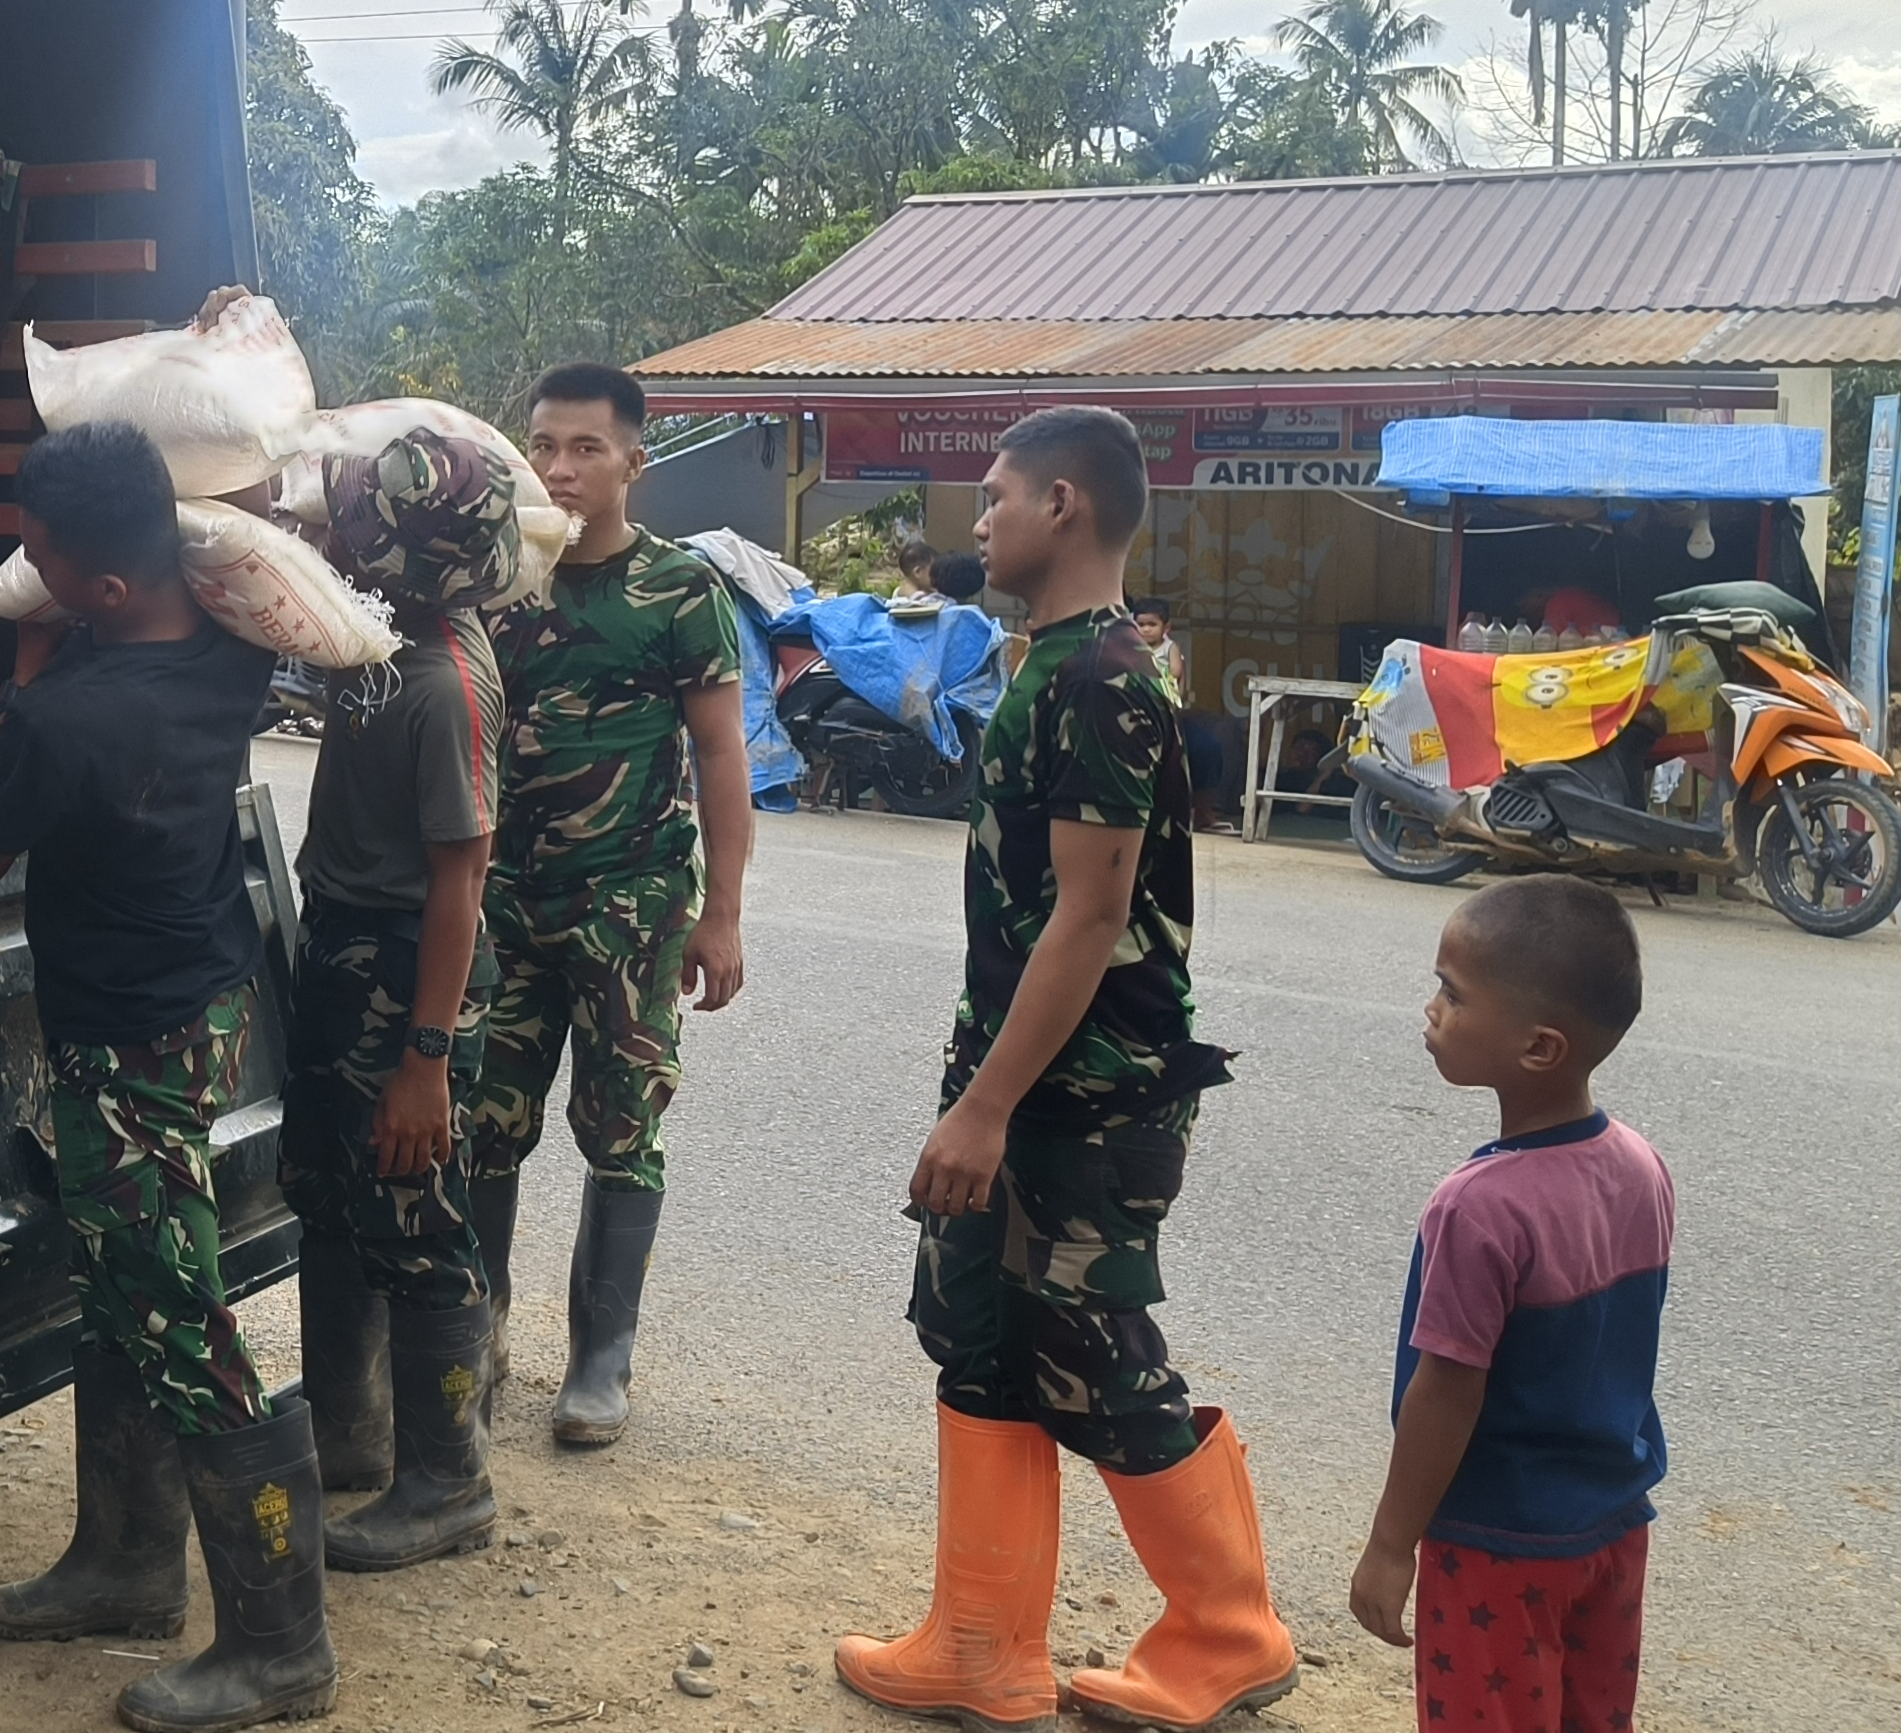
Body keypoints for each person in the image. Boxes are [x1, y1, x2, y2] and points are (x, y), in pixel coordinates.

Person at [839, 404, 1296, 1733]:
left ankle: (1229, 1630)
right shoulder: (1045, 663)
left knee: (1094, 1355)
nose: (977, 521)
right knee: (978, 1331)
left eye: (997, 496)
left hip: (1089, 1093)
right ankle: (981, 1648)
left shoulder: (1101, 679)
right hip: (1016, 1073)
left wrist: (985, 1108)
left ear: (1065, 506)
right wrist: (979, 1086)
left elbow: (1091, 919)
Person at [0, 421, 329, 1733]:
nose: (30, 574)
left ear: (101, 591)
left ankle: (281, 1643)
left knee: (177, 1318)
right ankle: (124, 1562)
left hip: (125, 1047)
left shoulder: (61, 713)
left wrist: (23, 674)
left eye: (43, 560)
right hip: (203, 1002)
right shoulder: (231, 645)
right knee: (121, 1289)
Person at [468, 361, 751, 1451]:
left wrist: (721, 913)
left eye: (586, 448)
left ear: (635, 460)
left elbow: (721, 755)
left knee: (621, 1128)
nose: (559, 468)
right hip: (502, 904)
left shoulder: (679, 589)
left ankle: (599, 1358)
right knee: (483, 1120)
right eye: (543, 445)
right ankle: (476, 1334)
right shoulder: (499, 580)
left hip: (629, 908)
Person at [1348, 877, 1675, 1733]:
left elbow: (1446, 1393)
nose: (1432, 1009)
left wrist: (1390, 1545)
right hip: (1612, 1526)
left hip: (1497, 1543)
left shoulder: (1478, 1207)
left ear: (1538, 1047)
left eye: (1453, 994)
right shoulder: (1640, 1165)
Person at [282, 428, 520, 1575]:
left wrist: (424, 1060)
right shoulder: (378, 632)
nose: (339, 543)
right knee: (334, 1197)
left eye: (358, 532)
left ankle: (448, 1480)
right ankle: (352, 1435)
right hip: (345, 950)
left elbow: (459, 883)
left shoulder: (442, 685)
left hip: (402, 970)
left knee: (415, 1217)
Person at [1128, 599, 1231, 834]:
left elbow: (1176, 676)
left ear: (1166, 627)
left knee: (1207, 747)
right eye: (1140, 625)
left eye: (1151, 625)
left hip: (1169, 716)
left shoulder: (1170, 649)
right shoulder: (1127, 647)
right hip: (1134, 717)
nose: (1145, 630)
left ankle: (1203, 813)